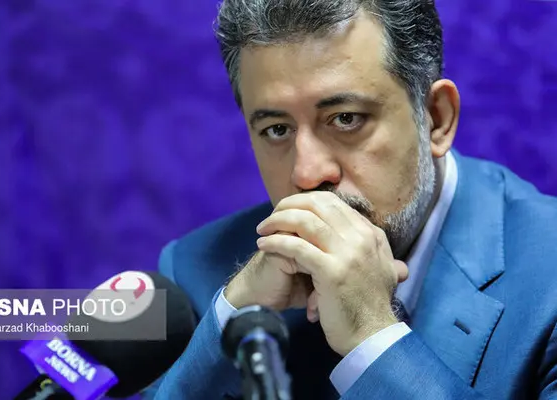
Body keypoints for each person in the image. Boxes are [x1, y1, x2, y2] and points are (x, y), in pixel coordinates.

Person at [142, 0, 557, 398]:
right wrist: (237, 318)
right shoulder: (198, 276)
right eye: (277, 129)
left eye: (345, 119)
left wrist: (373, 339)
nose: (307, 174)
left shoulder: (547, 284)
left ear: (436, 118)